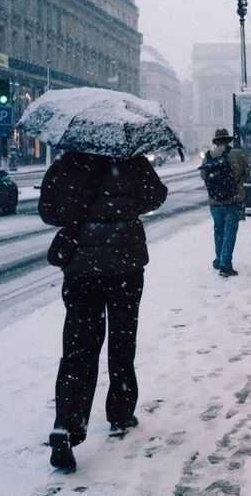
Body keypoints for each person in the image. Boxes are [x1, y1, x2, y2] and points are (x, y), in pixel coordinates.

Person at [39, 149, 167, 472]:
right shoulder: (131, 161)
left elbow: (48, 211)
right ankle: (120, 411)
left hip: (82, 268)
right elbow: (156, 196)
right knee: (122, 341)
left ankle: (66, 427)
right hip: (125, 265)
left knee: (78, 349)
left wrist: (79, 211)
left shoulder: (67, 164)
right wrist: (124, 207)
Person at [200, 128, 249, 277]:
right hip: (233, 200)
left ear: (216, 141)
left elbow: (204, 176)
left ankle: (219, 258)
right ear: (228, 140)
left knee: (218, 230)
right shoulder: (238, 154)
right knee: (230, 232)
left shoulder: (208, 156)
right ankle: (225, 264)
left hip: (215, 201)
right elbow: (247, 174)